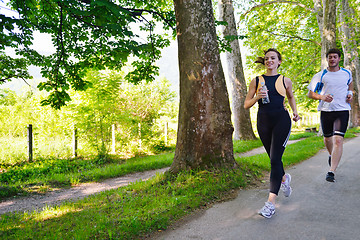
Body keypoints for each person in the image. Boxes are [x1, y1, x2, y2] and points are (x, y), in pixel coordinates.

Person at [244, 48, 300, 219]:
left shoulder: (285, 80)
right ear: (265, 61)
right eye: (267, 58)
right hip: (263, 122)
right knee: (274, 159)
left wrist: (295, 111)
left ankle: (270, 204)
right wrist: (257, 98)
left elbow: (290, 97)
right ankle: (284, 178)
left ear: (279, 61)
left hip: (282, 121)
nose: (269, 61)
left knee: (275, 160)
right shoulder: (256, 80)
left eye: (273, 58)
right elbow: (246, 104)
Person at [307, 48, 353, 182]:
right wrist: (322, 97)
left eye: (335, 57)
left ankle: (331, 171)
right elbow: (310, 94)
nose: (332, 59)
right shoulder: (320, 75)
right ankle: (331, 155)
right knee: (327, 139)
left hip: (342, 110)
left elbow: (350, 87)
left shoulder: (347, 73)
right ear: (327, 59)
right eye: (330, 57)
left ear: (339, 59)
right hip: (326, 111)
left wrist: (350, 94)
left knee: (338, 140)